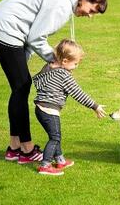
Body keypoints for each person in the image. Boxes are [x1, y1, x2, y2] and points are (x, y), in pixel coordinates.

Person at [0, 0, 107, 164]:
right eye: (92, 10)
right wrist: (58, 62)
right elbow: (36, 38)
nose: (90, 15)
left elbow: (32, 33)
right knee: (21, 87)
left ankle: (14, 147)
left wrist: (26, 58)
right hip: (5, 29)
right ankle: (26, 150)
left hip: (1, 27)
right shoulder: (62, 5)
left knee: (20, 87)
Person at [33, 39, 106, 175]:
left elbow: (37, 81)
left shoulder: (48, 67)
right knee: (54, 138)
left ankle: (60, 160)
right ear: (65, 61)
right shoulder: (64, 75)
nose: (76, 66)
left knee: (55, 135)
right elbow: (78, 93)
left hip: (39, 109)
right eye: (75, 63)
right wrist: (94, 106)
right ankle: (45, 165)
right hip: (50, 111)